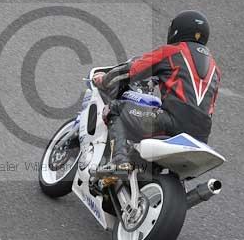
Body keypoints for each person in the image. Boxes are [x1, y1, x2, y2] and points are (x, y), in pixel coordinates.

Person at [93, 10, 220, 173]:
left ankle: (119, 160)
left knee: (115, 109)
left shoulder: (172, 51)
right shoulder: (215, 68)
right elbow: (210, 107)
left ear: (177, 30)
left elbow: (132, 70)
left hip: (172, 122)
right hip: (201, 135)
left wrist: (105, 80)